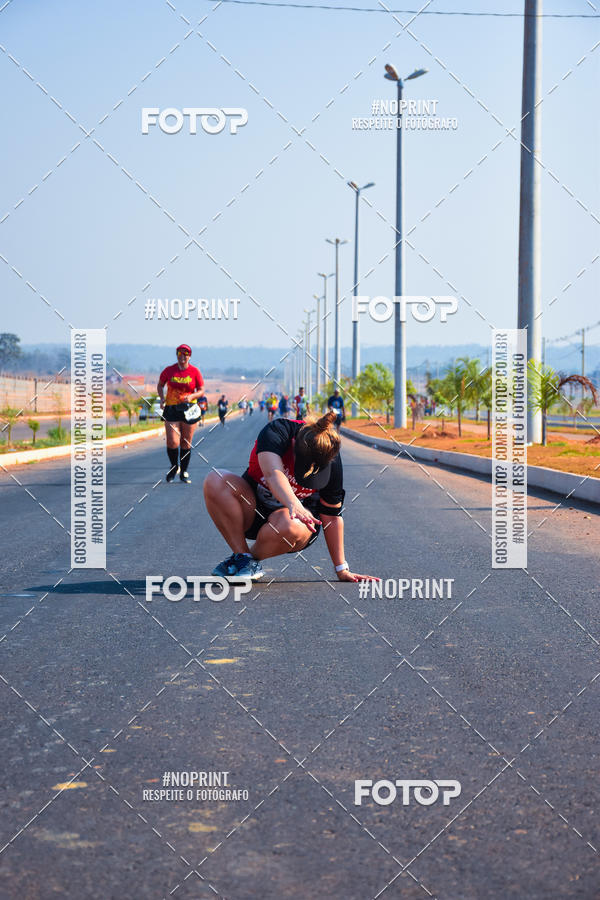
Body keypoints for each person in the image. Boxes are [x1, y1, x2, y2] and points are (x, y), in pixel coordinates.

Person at [203, 410, 380, 583]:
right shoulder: (278, 432)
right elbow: (273, 474)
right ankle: (241, 554)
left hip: (292, 528)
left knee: (291, 524)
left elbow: (332, 516)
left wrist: (342, 569)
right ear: (294, 444)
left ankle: (246, 560)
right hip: (253, 510)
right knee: (216, 479)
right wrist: (293, 502)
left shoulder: (331, 457)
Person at [157, 344, 204, 484]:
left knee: (185, 442)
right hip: (171, 408)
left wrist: (191, 396)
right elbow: (160, 385)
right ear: (177, 355)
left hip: (189, 410)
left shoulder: (194, 371)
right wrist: (162, 398)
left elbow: (201, 390)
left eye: (185, 354)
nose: (182, 356)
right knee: (172, 441)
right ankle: (174, 466)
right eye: (180, 353)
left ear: (189, 356)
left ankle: (184, 471)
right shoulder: (169, 370)